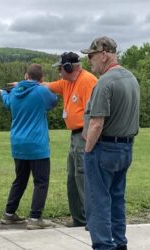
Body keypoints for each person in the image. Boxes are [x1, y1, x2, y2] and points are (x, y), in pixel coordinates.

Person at [81, 36, 140, 250]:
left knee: (98, 202)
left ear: (104, 54)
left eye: (92, 56)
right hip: (125, 147)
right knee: (116, 199)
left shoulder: (104, 82)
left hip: (103, 148)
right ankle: (119, 243)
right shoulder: (131, 78)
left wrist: (88, 151)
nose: (89, 60)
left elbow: (97, 123)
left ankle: (104, 245)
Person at [0, 63, 58, 230]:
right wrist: (41, 87)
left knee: (20, 180)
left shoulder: (15, 91)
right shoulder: (41, 91)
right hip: (37, 144)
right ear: (41, 79)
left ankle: (9, 214)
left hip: (18, 143)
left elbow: (8, 103)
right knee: (41, 182)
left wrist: (3, 93)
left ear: (26, 76)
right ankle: (35, 218)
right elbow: (53, 101)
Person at [47, 52, 97, 228]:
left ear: (69, 68)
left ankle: (92, 220)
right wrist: (25, 84)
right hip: (75, 136)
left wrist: (88, 137)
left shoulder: (88, 81)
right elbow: (47, 86)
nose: (59, 73)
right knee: (73, 178)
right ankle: (79, 219)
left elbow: (95, 113)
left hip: (84, 134)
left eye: (61, 69)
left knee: (83, 177)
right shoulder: (67, 82)